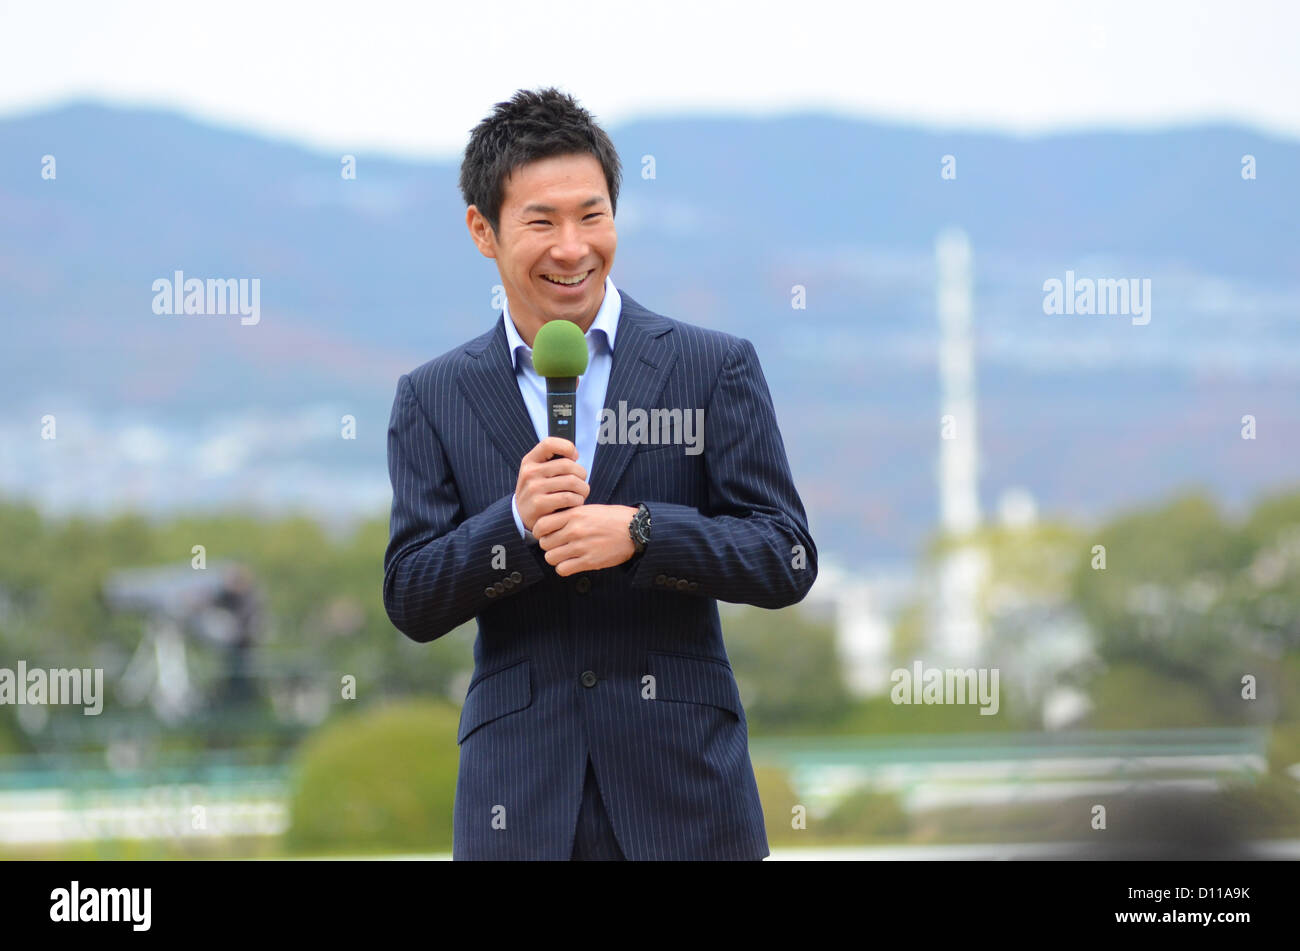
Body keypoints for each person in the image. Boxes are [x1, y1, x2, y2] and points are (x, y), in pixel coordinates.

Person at [383, 87, 817, 860]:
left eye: (592, 215)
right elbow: (412, 596)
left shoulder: (711, 366)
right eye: (541, 222)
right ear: (483, 230)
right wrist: (514, 524)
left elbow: (785, 555)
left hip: (688, 797)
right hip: (518, 806)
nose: (573, 246)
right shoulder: (434, 396)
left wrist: (644, 532)